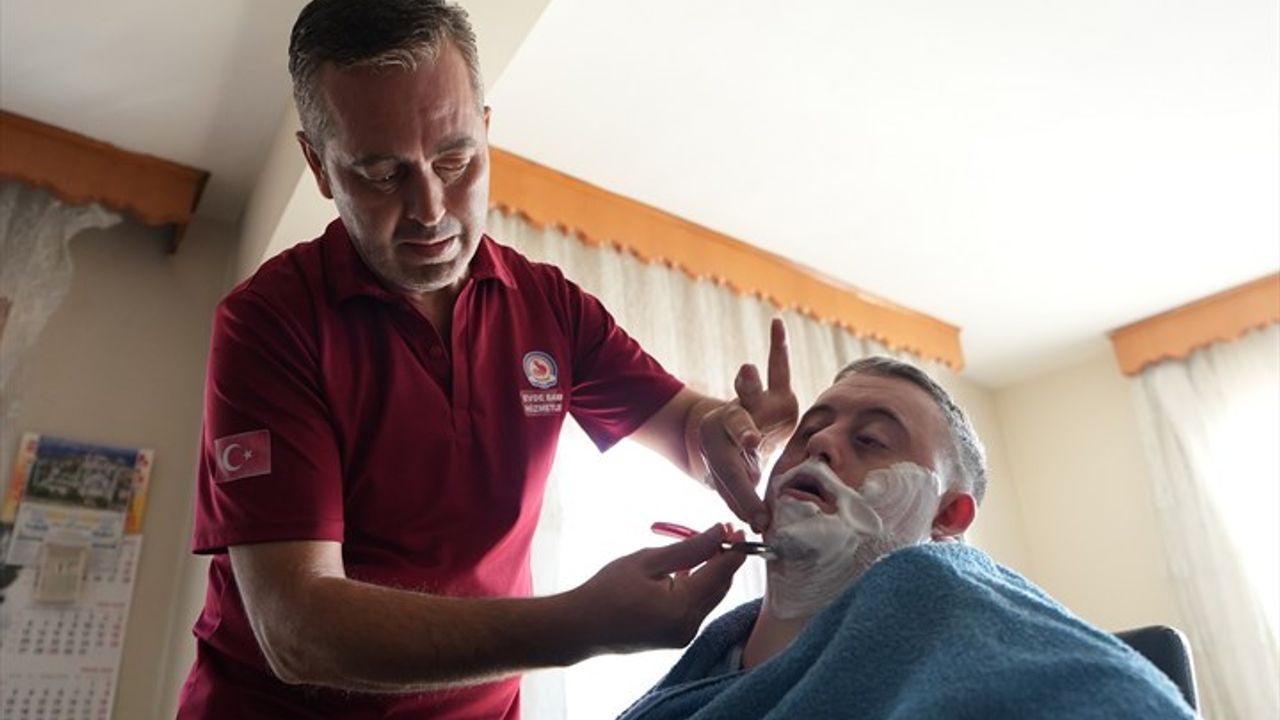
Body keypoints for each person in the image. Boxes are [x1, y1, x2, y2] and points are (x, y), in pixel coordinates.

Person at [175, 2, 798, 718]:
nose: (430, 210)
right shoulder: (270, 323)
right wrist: (580, 625)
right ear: (319, 166)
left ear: (487, 130)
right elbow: (298, 630)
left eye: (456, 160)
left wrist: (731, 432)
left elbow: (688, 428)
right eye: (382, 174)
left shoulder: (549, 306)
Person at [620, 357, 1198, 719]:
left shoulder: (937, 590)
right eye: (810, 430)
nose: (819, 444)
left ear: (948, 517)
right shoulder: (707, 666)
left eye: (871, 440)